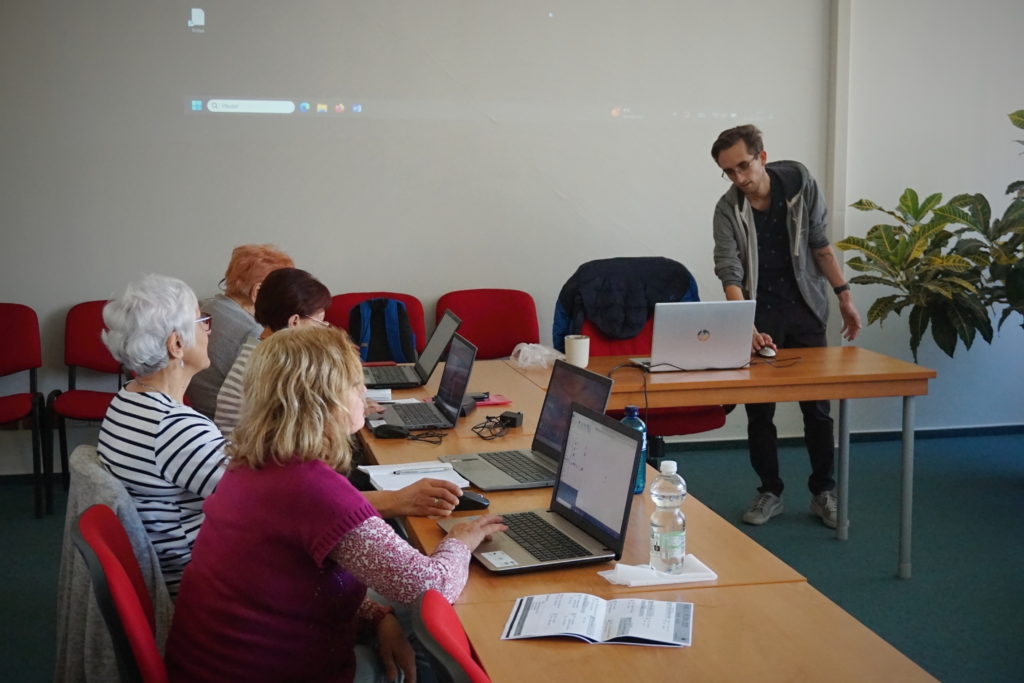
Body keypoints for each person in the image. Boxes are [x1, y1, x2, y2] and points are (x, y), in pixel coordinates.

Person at [165, 326, 506, 682]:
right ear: (324, 400)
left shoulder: (253, 463)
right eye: (355, 385)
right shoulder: (313, 489)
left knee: (409, 624)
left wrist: (376, 616)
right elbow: (432, 587)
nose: (363, 394)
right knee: (445, 643)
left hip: (215, 665)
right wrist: (460, 540)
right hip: (271, 670)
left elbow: (287, 583)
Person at [216, 266, 460, 519]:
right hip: (270, 484)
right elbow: (314, 497)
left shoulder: (264, 353)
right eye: (320, 322)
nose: (325, 329)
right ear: (294, 322)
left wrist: (346, 405)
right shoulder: (275, 369)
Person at [710, 124, 862, 529]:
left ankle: (824, 492)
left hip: (805, 309)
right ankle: (770, 491)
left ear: (761, 157)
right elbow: (729, 270)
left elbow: (820, 243)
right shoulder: (727, 210)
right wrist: (745, 324)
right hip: (760, 313)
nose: (739, 178)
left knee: (817, 409)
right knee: (759, 410)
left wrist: (844, 295)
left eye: (744, 166)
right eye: (729, 172)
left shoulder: (799, 183)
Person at [97, 274, 227, 595]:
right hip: (197, 581)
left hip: (165, 565)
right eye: (202, 321)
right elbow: (263, 503)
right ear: (176, 344)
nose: (209, 331)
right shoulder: (176, 427)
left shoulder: (127, 397)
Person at [185, 244, 294, 419]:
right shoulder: (255, 333)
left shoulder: (206, 308)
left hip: (198, 411)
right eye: (285, 291)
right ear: (258, 291)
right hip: (228, 422)